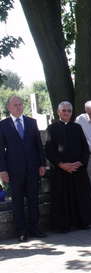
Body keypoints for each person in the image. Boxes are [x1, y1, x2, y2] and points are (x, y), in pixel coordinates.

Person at [46, 101, 91, 232]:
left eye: (69, 111)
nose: (66, 113)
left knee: (80, 197)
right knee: (62, 199)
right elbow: (49, 150)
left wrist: (80, 162)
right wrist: (61, 165)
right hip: (61, 171)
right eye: (64, 110)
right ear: (58, 112)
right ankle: (63, 225)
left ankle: (82, 222)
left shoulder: (77, 127)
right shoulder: (52, 129)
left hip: (78, 170)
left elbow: (85, 147)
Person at [0, 95, 46, 242]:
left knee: (33, 199)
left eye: (20, 104)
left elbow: (38, 145)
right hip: (14, 171)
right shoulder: (3, 125)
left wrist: (42, 164)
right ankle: (21, 231)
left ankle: (35, 228)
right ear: (9, 107)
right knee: (17, 202)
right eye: (15, 105)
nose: (18, 107)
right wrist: (2, 170)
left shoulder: (31, 122)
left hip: (32, 168)